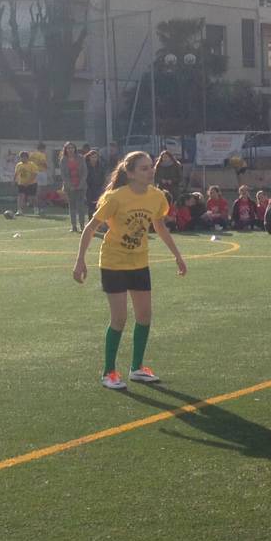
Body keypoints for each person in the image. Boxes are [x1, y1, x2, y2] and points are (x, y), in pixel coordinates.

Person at [72, 151, 187, 389]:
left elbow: (160, 227)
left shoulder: (157, 197)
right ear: (131, 173)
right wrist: (80, 260)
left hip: (139, 262)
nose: (150, 171)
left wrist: (177, 256)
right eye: (144, 168)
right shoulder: (115, 198)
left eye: (150, 167)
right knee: (119, 319)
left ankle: (137, 368)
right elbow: (91, 228)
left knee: (144, 317)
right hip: (113, 262)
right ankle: (109, 372)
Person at [58, 142, 89, 231]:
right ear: (65, 149)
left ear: (75, 149)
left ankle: (82, 226)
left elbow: (84, 172)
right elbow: (63, 175)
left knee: (81, 206)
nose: (70, 150)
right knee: (72, 206)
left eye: (72, 148)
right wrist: (69, 185)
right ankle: (74, 226)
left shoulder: (81, 158)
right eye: (68, 148)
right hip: (69, 186)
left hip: (81, 186)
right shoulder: (63, 160)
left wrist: (80, 184)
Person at [13, 151, 39, 217]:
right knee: (20, 196)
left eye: (25, 157)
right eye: (22, 157)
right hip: (21, 183)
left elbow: (34, 174)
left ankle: (36, 209)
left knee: (32, 197)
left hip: (32, 183)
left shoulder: (32, 164)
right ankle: (19, 210)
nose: (23, 158)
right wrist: (14, 180)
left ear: (27, 158)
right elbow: (16, 173)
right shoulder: (19, 165)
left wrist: (28, 182)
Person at [84, 150, 105, 220]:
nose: (94, 159)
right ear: (89, 157)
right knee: (90, 206)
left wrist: (102, 185)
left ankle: (98, 222)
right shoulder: (86, 166)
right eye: (92, 157)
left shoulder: (100, 165)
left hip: (98, 188)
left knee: (98, 205)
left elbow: (103, 176)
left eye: (95, 157)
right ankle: (90, 220)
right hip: (89, 188)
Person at [30, 142, 50, 214]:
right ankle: (42, 208)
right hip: (41, 173)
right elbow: (43, 163)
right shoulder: (42, 154)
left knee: (36, 191)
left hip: (33, 173)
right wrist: (48, 167)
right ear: (43, 148)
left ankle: (35, 208)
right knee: (42, 191)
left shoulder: (31, 154)